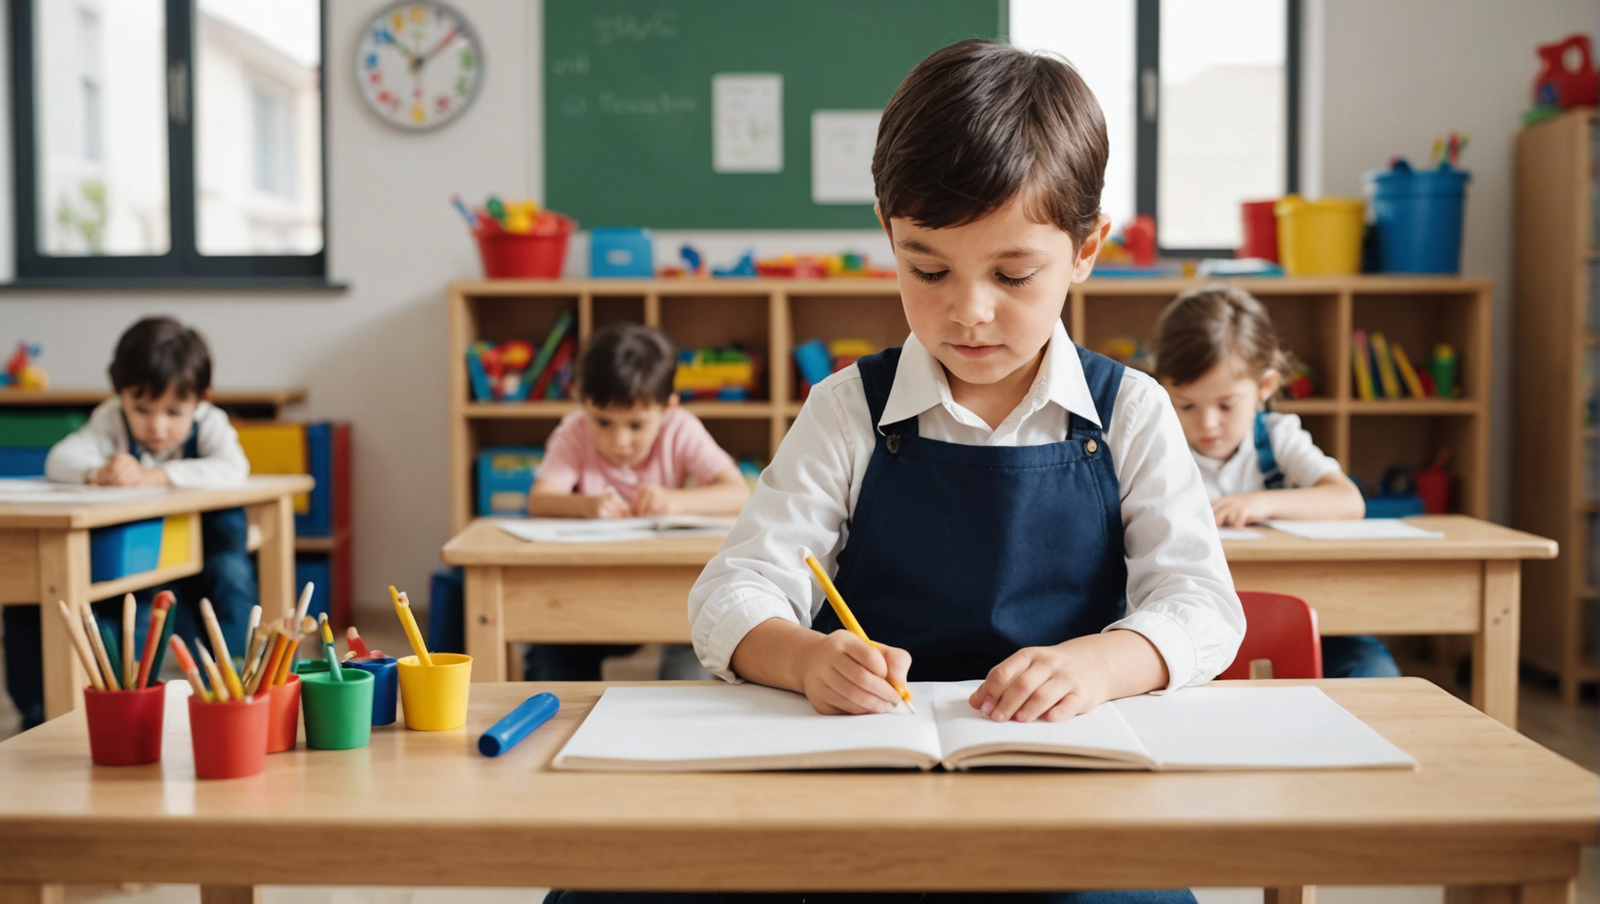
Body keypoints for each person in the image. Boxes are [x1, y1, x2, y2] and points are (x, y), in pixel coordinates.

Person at [546, 38, 1245, 904]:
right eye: (927, 268)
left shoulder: (1132, 409)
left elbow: (1203, 607)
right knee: (607, 887)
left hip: (1073, 782)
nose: (969, 311)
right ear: (889, 238)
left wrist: (1102, 665)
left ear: (1087, 249)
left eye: (1014, 273)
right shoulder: (847, 406)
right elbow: (732, 593)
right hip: (860, 774)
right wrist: (804, 658)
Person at [3, 317, 254, 730]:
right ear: (120, 396)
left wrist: (157, 475)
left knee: (231, 581)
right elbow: (59, 459)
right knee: (124, 609)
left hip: (208, 547)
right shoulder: (110, 419)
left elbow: (234, 468)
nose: (156, 426)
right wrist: (98, 471)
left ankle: (239, 683)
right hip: (138, 553)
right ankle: (90, 706)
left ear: (201, 400)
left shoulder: (209, 422)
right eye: (141, 408)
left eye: (174, 412)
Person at [1152, 285, 1398, 679]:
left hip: (1292, 615)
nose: (1208, 423)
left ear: (1265, 388)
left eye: (1227, 405)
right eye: (1187, 404)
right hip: (1189, 626)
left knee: (1373, 669)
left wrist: (1258, 503)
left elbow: (1347, 500)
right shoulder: (1155, 442)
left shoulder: (1278, 436)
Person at [525, 322, 749, 682]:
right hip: (587, 588)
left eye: (635, 425)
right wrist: (587, 505)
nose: (619, 441)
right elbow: (540, 500)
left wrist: (676, 501)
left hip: (669, 589)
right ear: (582, 402)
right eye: (603, 422)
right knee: (553, 656)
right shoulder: (575, 431)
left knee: (700, 657)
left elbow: (739, 492)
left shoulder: (680, 428)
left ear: (667, 407)